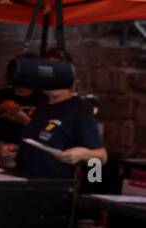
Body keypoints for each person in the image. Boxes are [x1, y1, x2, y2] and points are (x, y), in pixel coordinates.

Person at [12, 52, 106, 180]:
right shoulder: (41, 105)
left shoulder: (79, 109)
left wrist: (83, 154)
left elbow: (101, 157)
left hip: (53, 189)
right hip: (23, 182)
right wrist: (16, 150)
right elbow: (42, 144)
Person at [0, 61, 44, 150]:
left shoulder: (43, 99)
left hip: (26, 149)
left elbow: (45, 134)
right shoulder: (0, 95)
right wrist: (0, 108)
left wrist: (23, 119)